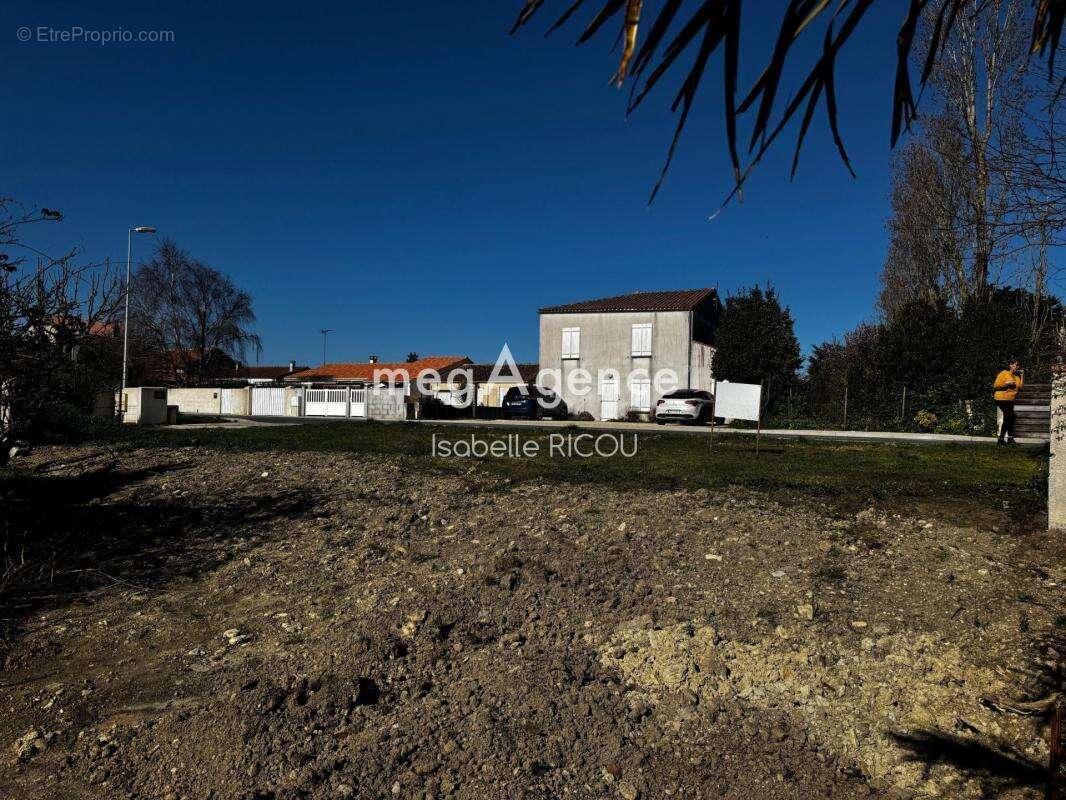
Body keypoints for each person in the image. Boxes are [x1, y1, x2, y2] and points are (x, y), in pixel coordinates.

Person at [993, 358, 1024, 445]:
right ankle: (1001, 440)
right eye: (1015, 365)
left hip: (1010, 400)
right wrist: (1006, 384)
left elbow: (1020, 387)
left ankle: (1008, 439)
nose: (1017, 367)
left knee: (1012, 417)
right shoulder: (1004, 373)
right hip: (1001, 398)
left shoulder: (1017, 377)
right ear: (1010, 365)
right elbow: (996, 385)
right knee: (1009, 416)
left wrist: (1022, 375)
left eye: (1018, 365)